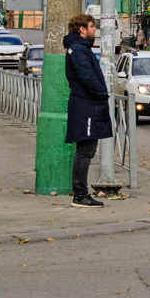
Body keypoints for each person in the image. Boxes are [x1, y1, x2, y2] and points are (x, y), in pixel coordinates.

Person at [63, 13, 112, 209]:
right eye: (92, 26)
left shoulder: (79, 48)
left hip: (86, 104)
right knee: (85, 152)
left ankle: (81, 194)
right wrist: (102, 93)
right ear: (82, 29)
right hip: (86, 105)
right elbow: (86, 76)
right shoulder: (78, 50)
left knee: (86, 151)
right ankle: (80, 196)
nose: (94, 29)